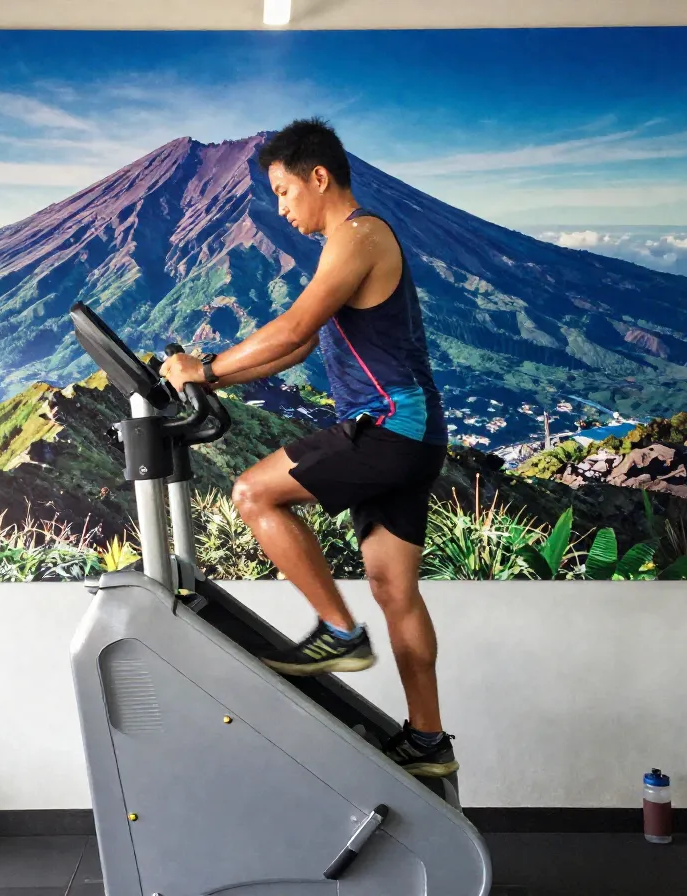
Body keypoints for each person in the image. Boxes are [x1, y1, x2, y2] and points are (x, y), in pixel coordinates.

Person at [160, 118, 457, 778]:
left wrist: (202, 374)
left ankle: (339, 634)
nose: (281, 208)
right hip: (416, 435)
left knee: (251, 491)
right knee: (394, 590)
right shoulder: (347, 244)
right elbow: (294, 347)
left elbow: (293, 325)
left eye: (284, 191)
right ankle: (429, 741)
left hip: (387, 427)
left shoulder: (360, 236)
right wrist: (208, 368)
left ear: (318, 178)